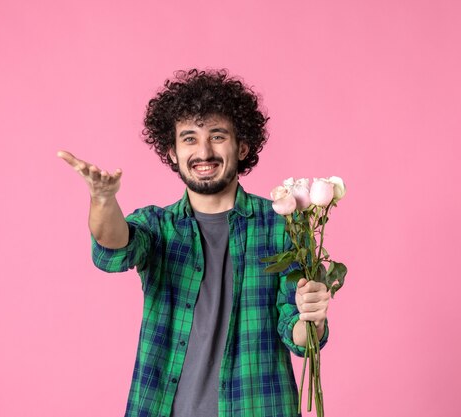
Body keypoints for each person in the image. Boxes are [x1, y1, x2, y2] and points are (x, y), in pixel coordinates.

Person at [58, 69, 333, 417]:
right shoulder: (158, 227)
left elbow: (296, 331)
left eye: (217, 136)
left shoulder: (283, 226)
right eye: (189, 138)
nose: (203, 151)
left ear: (242, 146)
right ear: (172, 152)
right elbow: (113, 247)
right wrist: (102, 199)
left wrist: (312, 319)